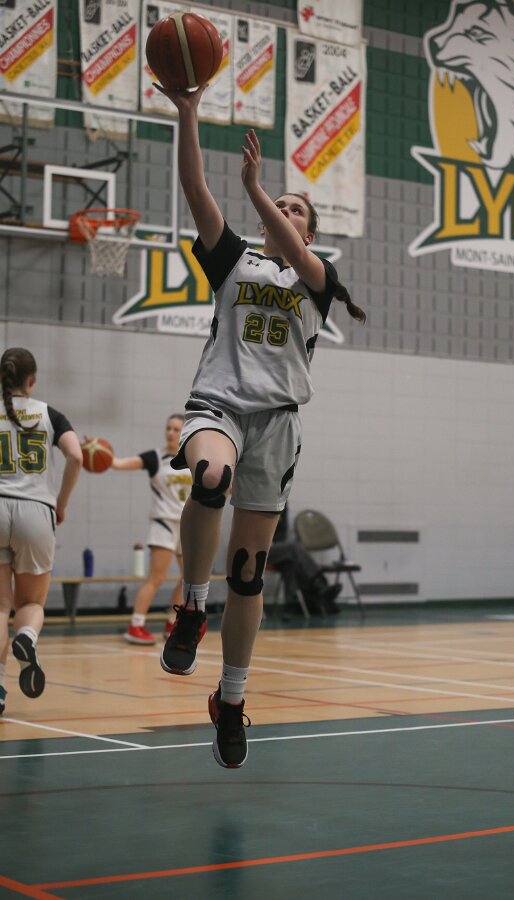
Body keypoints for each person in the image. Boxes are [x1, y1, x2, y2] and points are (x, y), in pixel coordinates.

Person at [155, 81, 366, 768]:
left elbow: (298, 254)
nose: (286, 210)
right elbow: (195, 188)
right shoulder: (235, 261)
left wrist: (255, 191)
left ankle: (231, 699)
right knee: (209, 475)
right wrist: (188, 112)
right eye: (283, 202)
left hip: (277, 427)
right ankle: (191, 606)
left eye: (296, 208)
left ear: (309, 231)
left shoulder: (316, 279)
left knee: (247, 574)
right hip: (218, 406)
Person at [0, 347, 82, 716]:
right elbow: (76, 456)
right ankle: (27, 637)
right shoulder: (50, 414)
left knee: (0, 606)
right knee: (30, 603)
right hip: (36, 511)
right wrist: (60, 503)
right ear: (32, 380)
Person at [110, 414, 192, 645]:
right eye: (168, 428)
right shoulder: (155, 457)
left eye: (176, 429)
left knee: (188, 578)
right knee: (157, 577)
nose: (171, 433)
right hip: (164, 522)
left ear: (185, 432)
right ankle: (135, 625)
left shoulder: (193, 459)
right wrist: (100, 454)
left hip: (187, 525)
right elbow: (119, 463)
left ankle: (173, 622)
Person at [269, 507, 342, 615]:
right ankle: (319, 583)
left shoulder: (282, 504)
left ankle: (290, 606)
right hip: (259, 548)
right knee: (293, 547)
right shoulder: (258, 501)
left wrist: (277, 543)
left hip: (276, 547)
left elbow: (282, 531)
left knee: (290, 563)